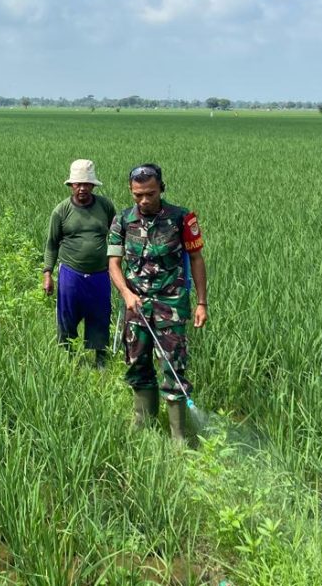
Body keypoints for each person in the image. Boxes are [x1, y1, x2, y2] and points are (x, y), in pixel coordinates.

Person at [107, 163, 207, 445]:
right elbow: (113, 264)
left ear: (161, 188)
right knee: (137, 363)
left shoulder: (182, 218)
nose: (144, 200)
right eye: (138, 195)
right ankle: (143, 425)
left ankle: (178, 437)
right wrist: (126, 294)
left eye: (150, 194)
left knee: (174, 367)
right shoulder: (122, 220)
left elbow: (197, 259)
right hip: (136, 306)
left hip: (170, 305)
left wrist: (201, 303)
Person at [42, 159, 116, 368]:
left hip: (100, 273)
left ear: (93, 185)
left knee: (100, 314)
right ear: (71, 185)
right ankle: (70, 358)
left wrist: (120, 265)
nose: (82, 188)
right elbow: (52, 244)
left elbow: (117, 236)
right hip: (71, 272)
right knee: (68, 315)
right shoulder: (61, 211)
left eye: (86, 184)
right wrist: (47, 274)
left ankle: (100, 359)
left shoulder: (105, 206)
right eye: (78, 184)